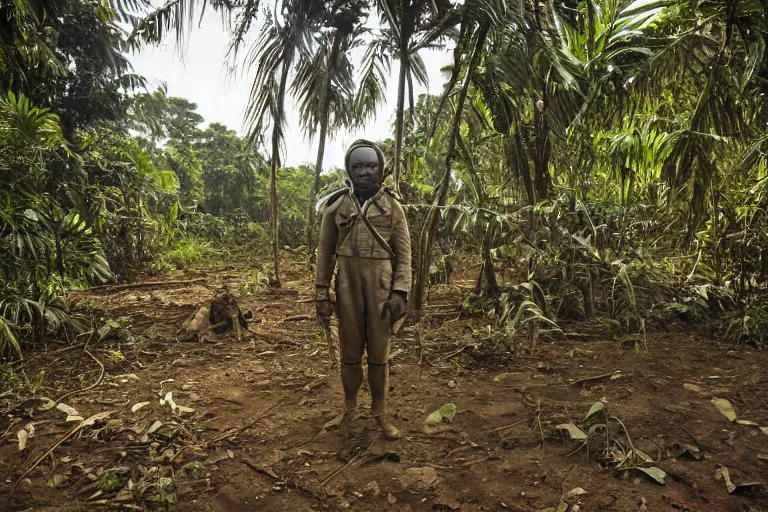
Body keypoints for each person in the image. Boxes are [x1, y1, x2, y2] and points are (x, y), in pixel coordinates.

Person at [314, 139, 412, 441]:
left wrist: (400, 292)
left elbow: (404, 253)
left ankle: (380, 412)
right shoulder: (335, 207)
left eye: (370, 165)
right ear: (349, 170)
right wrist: (321, 292)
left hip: (381, 286)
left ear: (380, 169)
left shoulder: (393, 207)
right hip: (347, 285)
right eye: (358, 166)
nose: (365, 172)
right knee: (350, 352)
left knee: (380, 354)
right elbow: (325, 251)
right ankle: (349, 408)